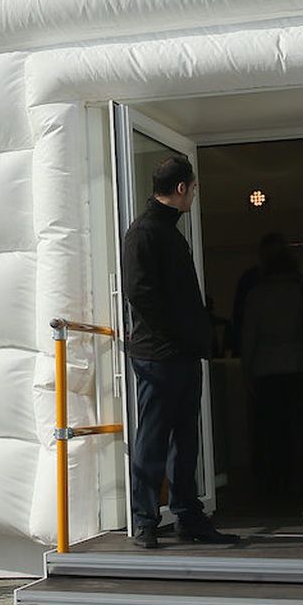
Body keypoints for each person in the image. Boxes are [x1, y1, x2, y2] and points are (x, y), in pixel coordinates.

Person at [122, 154, 237, 549]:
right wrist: (180, 336)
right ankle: (146, 521)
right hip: (159, 354)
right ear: (183, 188)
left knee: (184, 440)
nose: (195, 196)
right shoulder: (146, 232)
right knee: (154, 438)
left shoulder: (164, 231)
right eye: (194, 188)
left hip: (178, 353)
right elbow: (140, 294)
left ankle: (186, 516)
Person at [237, 233, 303, 504]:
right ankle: (299, 481)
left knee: (271, 430)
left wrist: (247, 372)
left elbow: (249, 337)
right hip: (298, 365)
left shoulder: (256, 295)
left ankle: (273, 482)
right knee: (300, 429)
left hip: (266, 370)